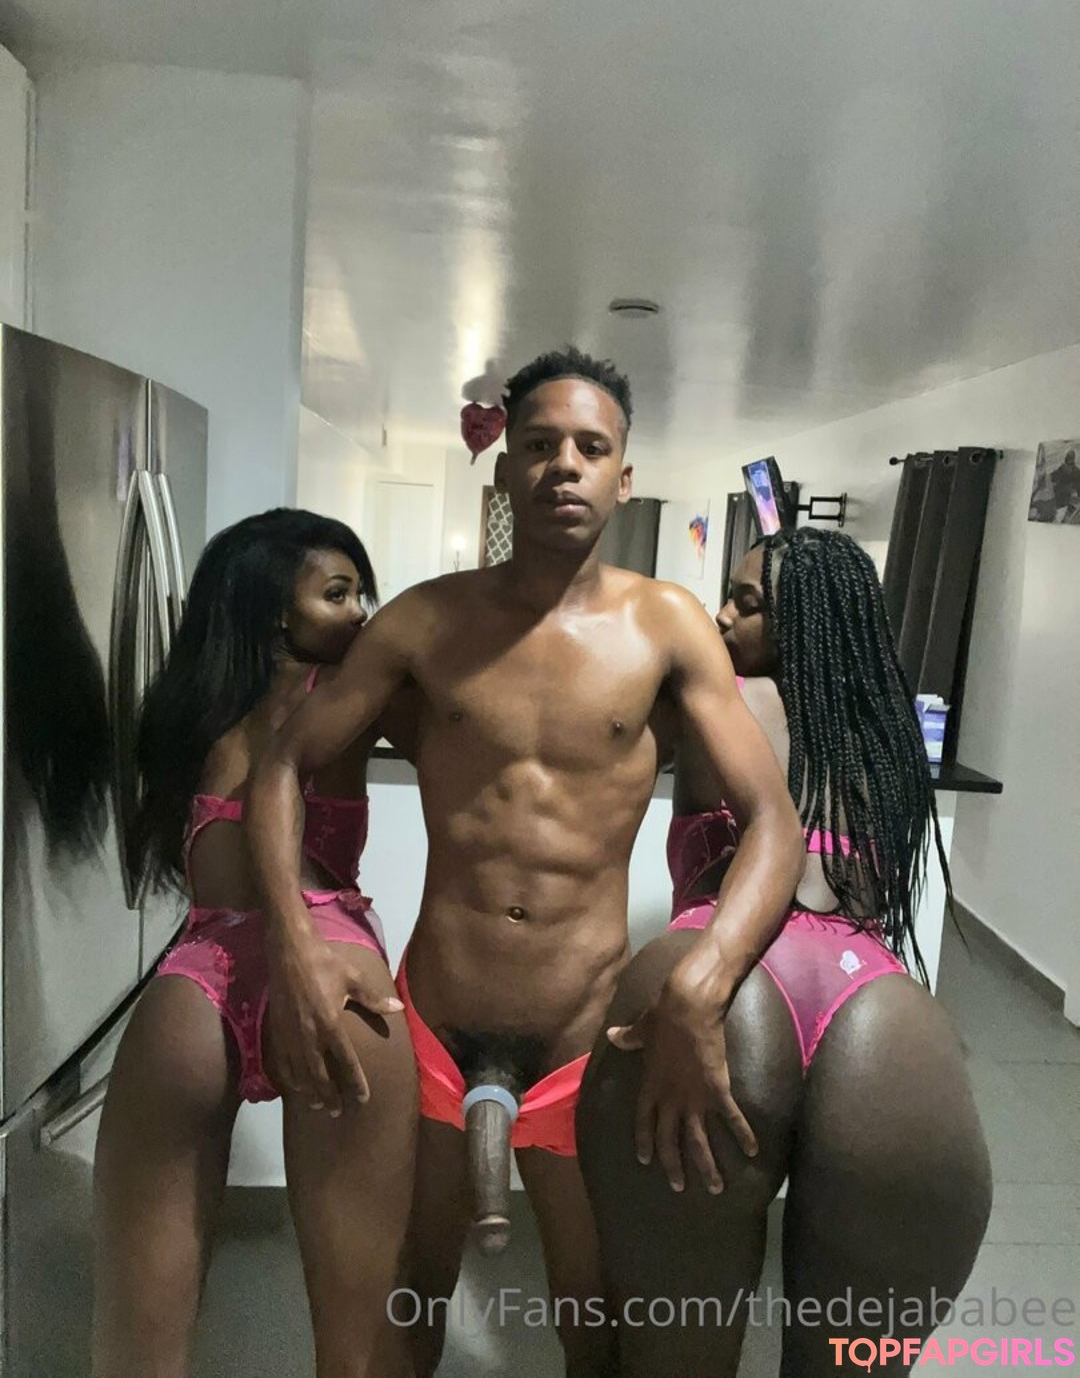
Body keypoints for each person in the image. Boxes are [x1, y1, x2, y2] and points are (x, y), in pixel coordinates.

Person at [245, 349, 805, 1377]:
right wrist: (293, 942)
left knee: (590, 1312)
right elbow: (283, 765)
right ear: (505, 469)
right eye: (540, 444)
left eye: (591, 447)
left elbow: (776, 820)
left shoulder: (667, 625)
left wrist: (705, 979)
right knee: (412, 1289)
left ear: (624, 477)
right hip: (433, 1020)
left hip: (585, 1036)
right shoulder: (423, 620)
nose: (564, 465)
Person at [576, 528, 993, 1377]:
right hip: (876, 1007)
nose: (722, 617)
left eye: (747, 603)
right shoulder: (884, 731)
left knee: (671, 1354)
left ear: (806, 617)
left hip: (726, 976)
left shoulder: (716, 698)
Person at [92, 509, 417, 1378]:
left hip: (196, 979)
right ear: (276, 609)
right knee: (356, 1354)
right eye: (339, 593)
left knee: (133, 1354)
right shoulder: (351, 697)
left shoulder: (191, 714)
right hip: (334, 970)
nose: (362, 613)